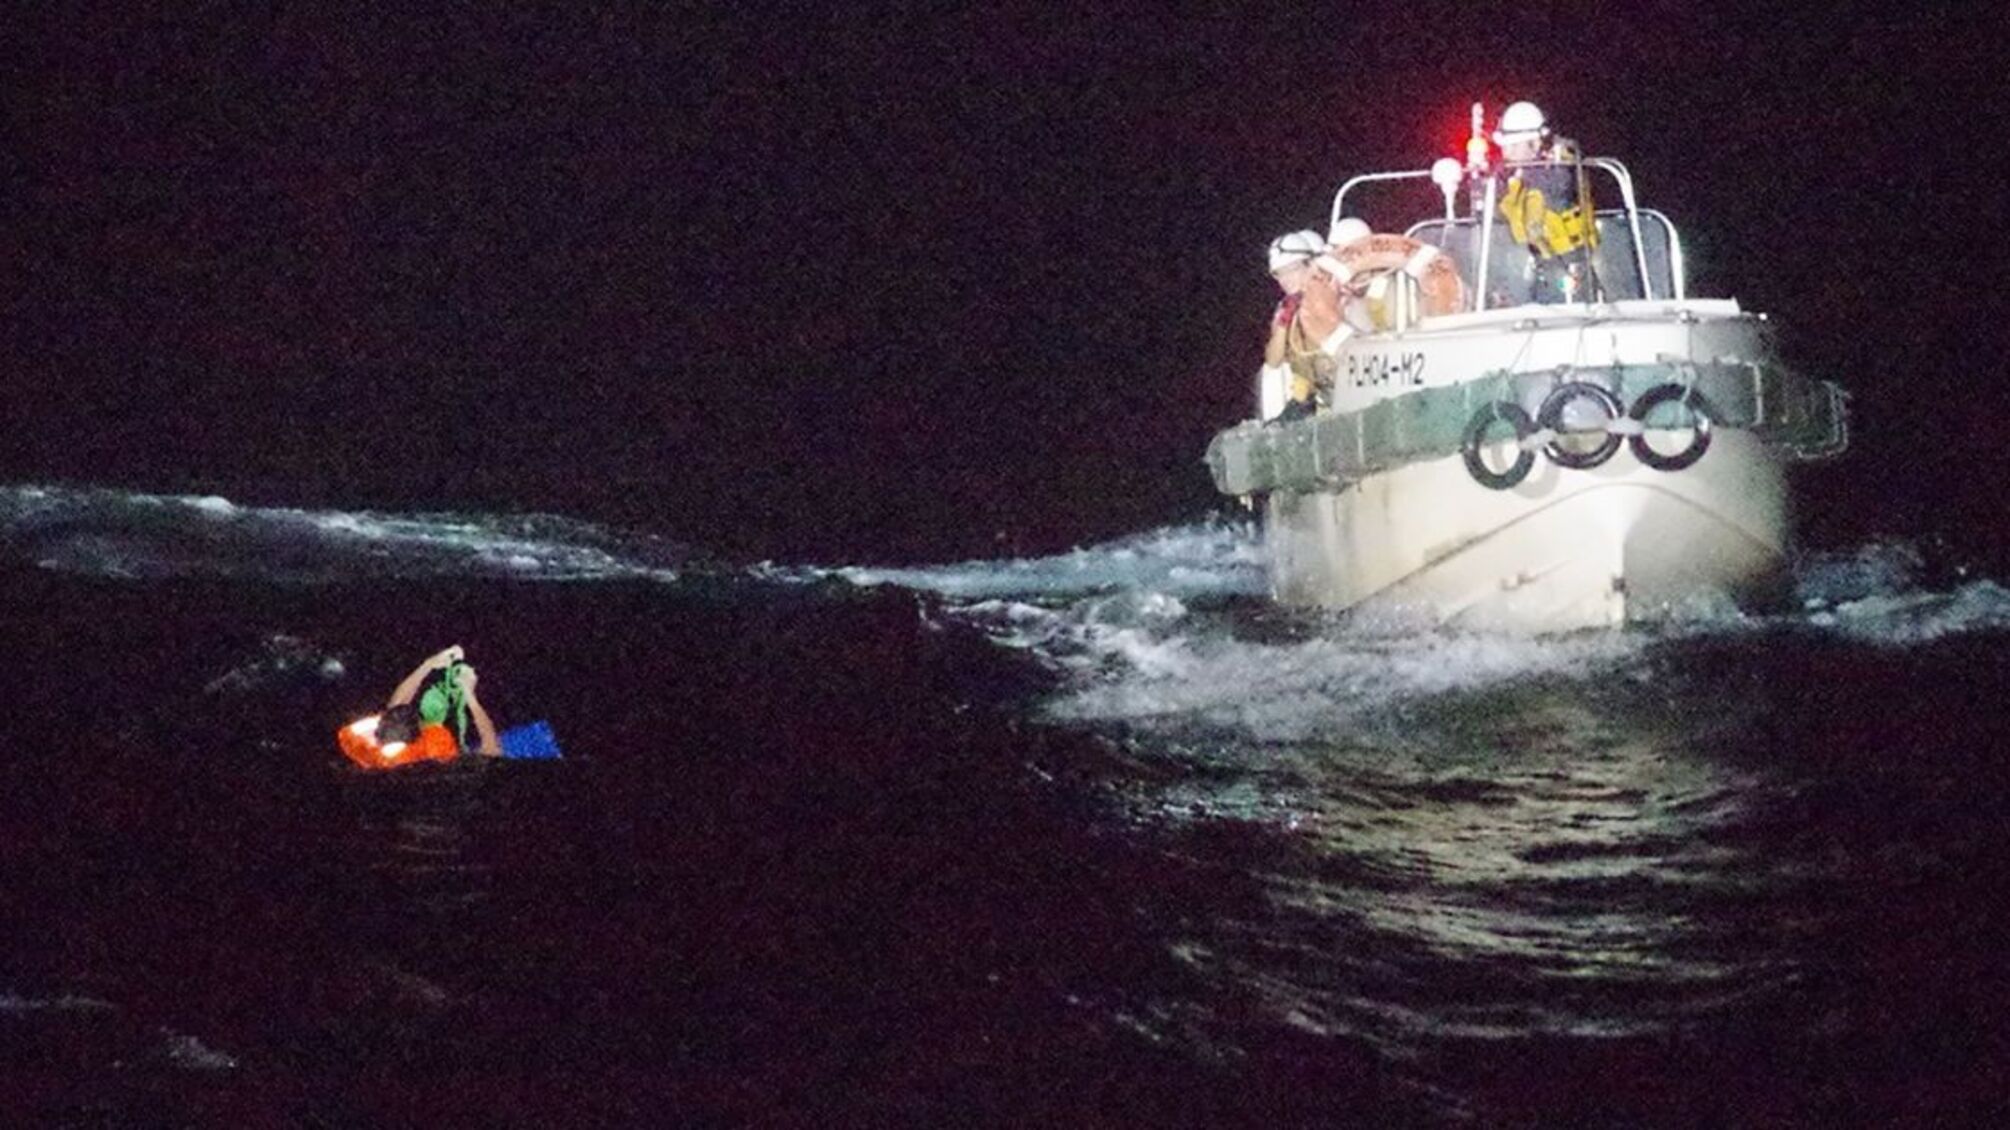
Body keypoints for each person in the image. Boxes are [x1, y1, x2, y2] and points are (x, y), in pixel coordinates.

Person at [1492, 101, 1598, 303]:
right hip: (1534, 261)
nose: (1507, 152)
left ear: (1536, 143)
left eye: (1514, 145)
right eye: (1506, 146)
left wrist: (1513, 176)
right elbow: (1502, 210)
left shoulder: (1557, 171)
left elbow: (1557, 189)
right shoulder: (1516, 176)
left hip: (1566, 263)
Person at [337, 645, 502, 769]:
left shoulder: (354, 740)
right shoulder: (433, 750)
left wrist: (428, 665)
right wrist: (470, 695)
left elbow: (395, 706)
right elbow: (491, 751)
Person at [1261, 230, 1327, 421]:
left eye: (1292, 270)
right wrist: (1285, 320)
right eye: (1280, 274)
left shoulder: (1330, 295)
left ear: (1310, 265)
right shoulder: (1286, 308)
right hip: (1309, 395)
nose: (1285, 279)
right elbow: (1273, 361)